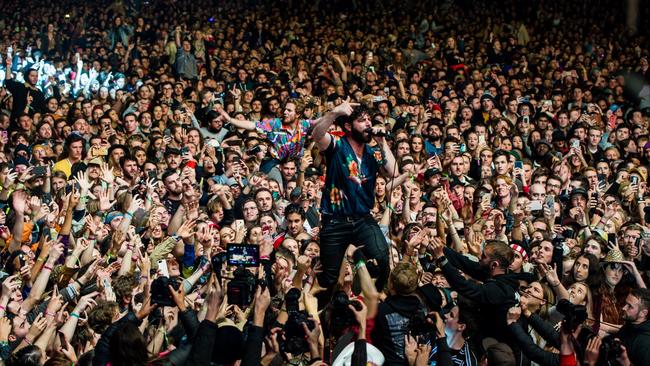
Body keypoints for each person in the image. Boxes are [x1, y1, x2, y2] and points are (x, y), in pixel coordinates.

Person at [312, 98, 397, 290]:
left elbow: (392, 172)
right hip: (335, 220)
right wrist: (335, 112)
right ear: (349, 126)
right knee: (329, 278)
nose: (369, 123)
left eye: (369, 119)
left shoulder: (372, 152)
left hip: (362, 219)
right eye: (363, 120)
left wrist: (382, 142)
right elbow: (317, 135)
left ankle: (372, 298)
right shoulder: (337, 146)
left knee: (382, 257)